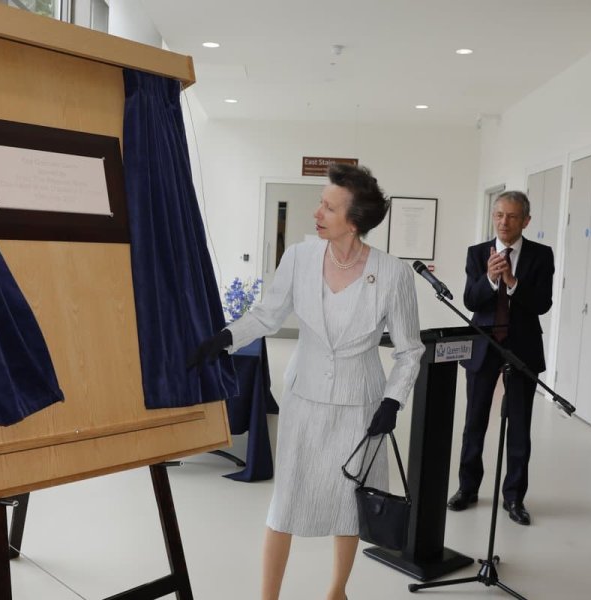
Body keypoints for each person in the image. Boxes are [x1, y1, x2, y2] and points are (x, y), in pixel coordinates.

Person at [189, 164, 424, 600]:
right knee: (286, 502)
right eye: (321, 202)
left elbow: (410, 350)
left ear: (354, 221)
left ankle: (337, 590)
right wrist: (224, 338)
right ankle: (268, 597)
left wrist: (392, 401)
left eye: (329, 207)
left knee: (348, 503)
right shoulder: (299, 256)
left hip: (362, 406)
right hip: (305, 396)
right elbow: (267, 315)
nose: (317, 212)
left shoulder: (393, 275)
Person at [447, 191, 554, 526]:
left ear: (526, 221)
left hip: (523, 346)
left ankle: (514, 498)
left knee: (519, 425)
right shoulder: (478, 253)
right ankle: (467, 488)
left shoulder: (540, 255)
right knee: (475, 421)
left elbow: (542, 304)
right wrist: (491, 280)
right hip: (483, 345)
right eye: (499, 215)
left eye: (511, 216)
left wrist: (512, 282)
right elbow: (470, 300)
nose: (504, 222)